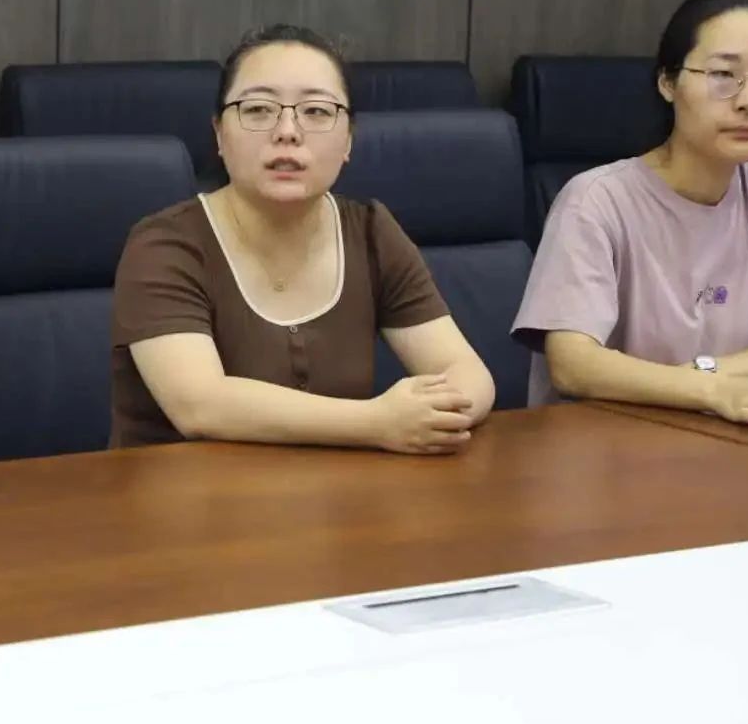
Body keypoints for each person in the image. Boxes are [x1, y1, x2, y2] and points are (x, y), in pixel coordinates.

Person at [111, 24, 496, 453]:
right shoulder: (165, 244)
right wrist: (378, 422)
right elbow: (199, 405)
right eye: (258, 109)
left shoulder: (371, 231)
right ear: (219, 134)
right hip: (180, 492)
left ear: (348, 140)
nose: (288, 131)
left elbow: (465, 371)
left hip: (337, 492)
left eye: (316, 111)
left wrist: (441, 411)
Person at [512, 0, 748, 433]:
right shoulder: (595, 201)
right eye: (723, 74)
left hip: (719, 445)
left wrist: (706, 377)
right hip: (601, 449)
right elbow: (573, 364)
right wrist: (713, 391)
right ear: (668, 82)